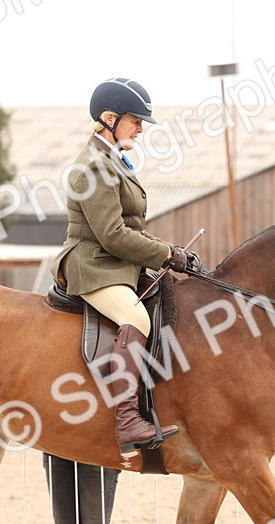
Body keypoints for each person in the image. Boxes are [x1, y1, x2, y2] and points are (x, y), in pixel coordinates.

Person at [49, 77, 203, 455]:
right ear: (109, 118)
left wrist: (171, 251)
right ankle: (128, 421)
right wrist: (164, 254)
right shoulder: (92, 167)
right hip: (93, 264)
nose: (140, 129)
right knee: (136, 318)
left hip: (115, 263)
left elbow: (131, 228)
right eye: (135, 121)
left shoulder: (112, 161)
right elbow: (113, 235)